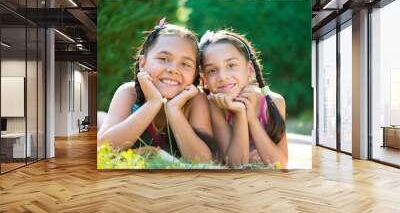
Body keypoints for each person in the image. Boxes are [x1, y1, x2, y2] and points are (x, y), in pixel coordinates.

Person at [98, 19, 217, 163]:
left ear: (194, 75)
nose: (173, 69)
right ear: (142, 63)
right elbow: (103, 149)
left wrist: (174, 111)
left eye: (185, 64)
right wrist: (152, 103)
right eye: (163, 58)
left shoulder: (196, 100)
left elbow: (204, 162)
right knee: (99, 119)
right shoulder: (128, 93)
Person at [198, 29, 288, 168]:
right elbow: (235, 164)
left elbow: (280, 164)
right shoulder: (213, 105)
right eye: (212, 70)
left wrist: (251, 118)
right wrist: (240, 113)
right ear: (205, 79)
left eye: (231, 65)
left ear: (250, 70)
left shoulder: (273, 102)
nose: (222, 76)